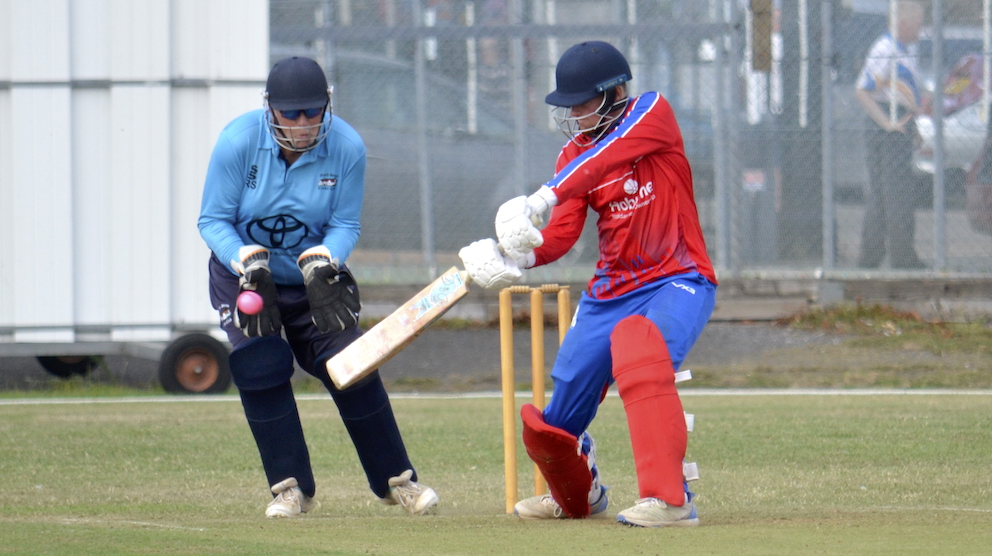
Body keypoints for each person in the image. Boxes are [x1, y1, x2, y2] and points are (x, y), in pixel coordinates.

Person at [458, 41, 718, 527]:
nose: (574, 115)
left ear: (616, 92)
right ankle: (578, 495)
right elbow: (561, 233)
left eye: (583, 103)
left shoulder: (651, 113)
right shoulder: (572, 156)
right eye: (568, 106)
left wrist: (542, 196)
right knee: (555, 420)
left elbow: (600, 163)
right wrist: (515, 258)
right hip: (610, 292)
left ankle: (671, 500)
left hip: (678, 277)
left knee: (641, 349)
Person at [198, 56, 439, 519]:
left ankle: (398, 482)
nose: (304, 125)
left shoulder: (346, 146)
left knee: (351, 364)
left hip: (312, 280)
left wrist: (326, 259)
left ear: (326, 105)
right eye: (292, 114)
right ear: (270, 109)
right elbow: (212, 220)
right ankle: (291, 490)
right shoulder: (237, 142)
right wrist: (244, 259)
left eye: (313, 112)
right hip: (245, 276)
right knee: (261, 364)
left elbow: (345, 223)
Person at [855, 1, 927, 269]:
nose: (920, 32)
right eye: (917, 26)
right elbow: (863, 90)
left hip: (901, 121)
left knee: (897, 193)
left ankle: (895, 254)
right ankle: (885, 256)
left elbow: (905, 92)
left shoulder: (907, 50)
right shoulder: (885, 50)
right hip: (885, 126)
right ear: (903, 24)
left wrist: (913, 127)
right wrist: (886, 123)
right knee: (888, 194)